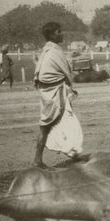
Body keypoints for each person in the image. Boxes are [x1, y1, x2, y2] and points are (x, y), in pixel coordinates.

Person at [33, 21, 83, 168]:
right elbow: (67, 73)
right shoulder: (54, 52)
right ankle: (74, 155)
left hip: (48, 94)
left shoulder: (47, 51)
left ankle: (37, 159)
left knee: (45, 126)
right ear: (51, 35)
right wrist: (70, 85)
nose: (62, 34)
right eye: (58, 32)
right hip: (56, 94)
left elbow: (39, 76)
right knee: (70, 123)